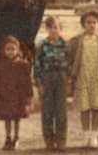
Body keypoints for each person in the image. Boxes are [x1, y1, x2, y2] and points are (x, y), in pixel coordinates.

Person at [68, 10, 98, 149]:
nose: (91, 25)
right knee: (85, 108)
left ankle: (94, 136)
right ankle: (86, 135)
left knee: (96, 107)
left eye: (94, 22)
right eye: (88, 22)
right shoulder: (76, 41)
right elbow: (70, 59)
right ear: (83, 24)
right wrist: (72, 75)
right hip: (83, 78)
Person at [0, 36, 34, 150]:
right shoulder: (0, 66)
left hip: (18, 96)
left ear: (17, 50)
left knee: (16, 117)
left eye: (13, 49)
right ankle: (8, 137)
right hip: (5, 96)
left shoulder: (23, 65)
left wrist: (29, 95)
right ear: (4, 51)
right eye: (8, 49)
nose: (10, 52)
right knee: (7, 118)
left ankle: (16, 137)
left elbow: (28, 81)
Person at [34, 15, 70, 151]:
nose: (53, 30)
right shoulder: (42, 45)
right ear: (47, 29)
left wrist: (69, 82)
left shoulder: (65, 45)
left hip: (61, 78)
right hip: (47, 78)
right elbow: (37, 65)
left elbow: (69, 65)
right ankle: (49, 139)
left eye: (56, 27)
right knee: (47, 111)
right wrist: (39, 83)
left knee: (61, 111)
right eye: (50, 27)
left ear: (60, 29)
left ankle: (61, 140)